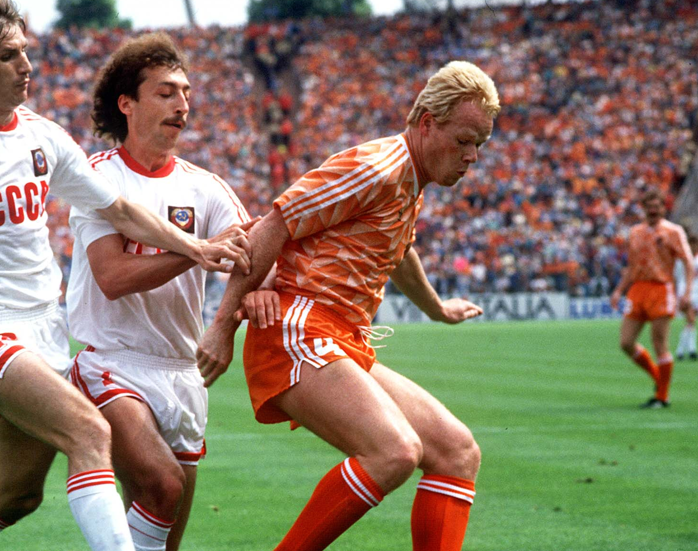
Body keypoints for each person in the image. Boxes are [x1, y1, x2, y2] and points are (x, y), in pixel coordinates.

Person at [0, 2, 249, 550]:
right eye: (8, 55)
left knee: (17, 495)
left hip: (44, 328)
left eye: (25, 51)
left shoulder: (43, 136)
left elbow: (121, 209)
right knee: (89, 432)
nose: (26, 64)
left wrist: (193, 246)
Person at [196, 61, 497, 551]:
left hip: (340, 336)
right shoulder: (375, 167)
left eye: (480, 144)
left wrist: (438, 308)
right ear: (426, 123)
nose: (472, 156)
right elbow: (273, 224)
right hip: (297, 330)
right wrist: (223, 326)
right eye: (464, 140)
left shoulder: (409, 182)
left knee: (457, 450)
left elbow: (398, 254)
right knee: (394, 451)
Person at [65, 33, 256, 551]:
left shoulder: (205, 186)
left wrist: (228, 321)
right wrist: (195, 250)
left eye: (186, 93)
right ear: (127, 103)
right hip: (113, 363)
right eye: (166, 92)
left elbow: (253, 257)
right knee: (162, 485)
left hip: (183, 371)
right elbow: (112, 276)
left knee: (162, 536)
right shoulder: (97, 179)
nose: (183, 104)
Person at [609, 189, 694, 409]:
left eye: (657, 206)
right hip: (638, 289)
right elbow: (631, 266)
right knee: (626, 342)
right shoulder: (635, 232)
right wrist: (619, 290)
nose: (653, 210)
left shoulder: (673, 231)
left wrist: (686, 292)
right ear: (644, 208)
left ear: (663, 208)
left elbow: (687, 261)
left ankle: (662, 397)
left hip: (660, 288)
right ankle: (659, 378)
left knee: (659, 344)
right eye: (649, 206)